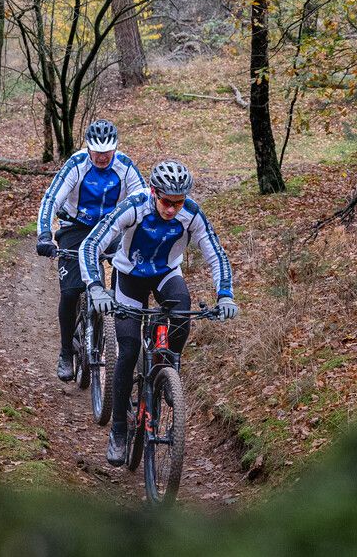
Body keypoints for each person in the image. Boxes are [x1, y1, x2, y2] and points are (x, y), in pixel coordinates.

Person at [79, 159, 238, 465]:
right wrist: (96, 287)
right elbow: (91, 244)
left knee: (181, 313)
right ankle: (119, 430)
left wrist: (225, 295)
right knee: (128, 350)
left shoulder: (191, 213)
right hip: (129, 277)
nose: (172, 209)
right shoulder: (134, 207)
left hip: (166, 273)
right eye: (166, 202)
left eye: (178, 202)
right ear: (153, 192)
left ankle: (167, 371)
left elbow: (215, 253)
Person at [36, 119, 145, 382]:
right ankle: (65, 352)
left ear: (115, 148)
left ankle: (122, 333)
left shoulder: (126, 167)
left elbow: (143, 201)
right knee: (71, 291)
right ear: (88, 148)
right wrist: (44, 234)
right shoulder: (77, 164)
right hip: (76, 228)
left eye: (107, 151)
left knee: (128, 274)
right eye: (96, 151)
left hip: (111, 229)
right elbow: (52, 199)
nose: (102, 157)